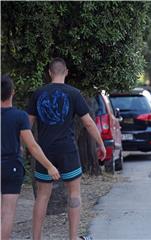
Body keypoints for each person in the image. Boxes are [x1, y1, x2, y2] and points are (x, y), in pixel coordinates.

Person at [26, 58, 106, 240]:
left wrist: (26, 148)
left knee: (42, 196)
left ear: (49, 72)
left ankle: (36, 238)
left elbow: (27, 125)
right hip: (68, 150)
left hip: (43, 151)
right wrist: (101, 144)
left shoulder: (38, 94)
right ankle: (73, 238)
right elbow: (88, 123)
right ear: (67, 72)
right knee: (74, 193)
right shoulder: (74, 93)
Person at [1, 75, 60, 240]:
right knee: (7, 213)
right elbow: (32, 146)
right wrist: (49, 166)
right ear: (12, 92)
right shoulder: (19, 116)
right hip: (11, 166)